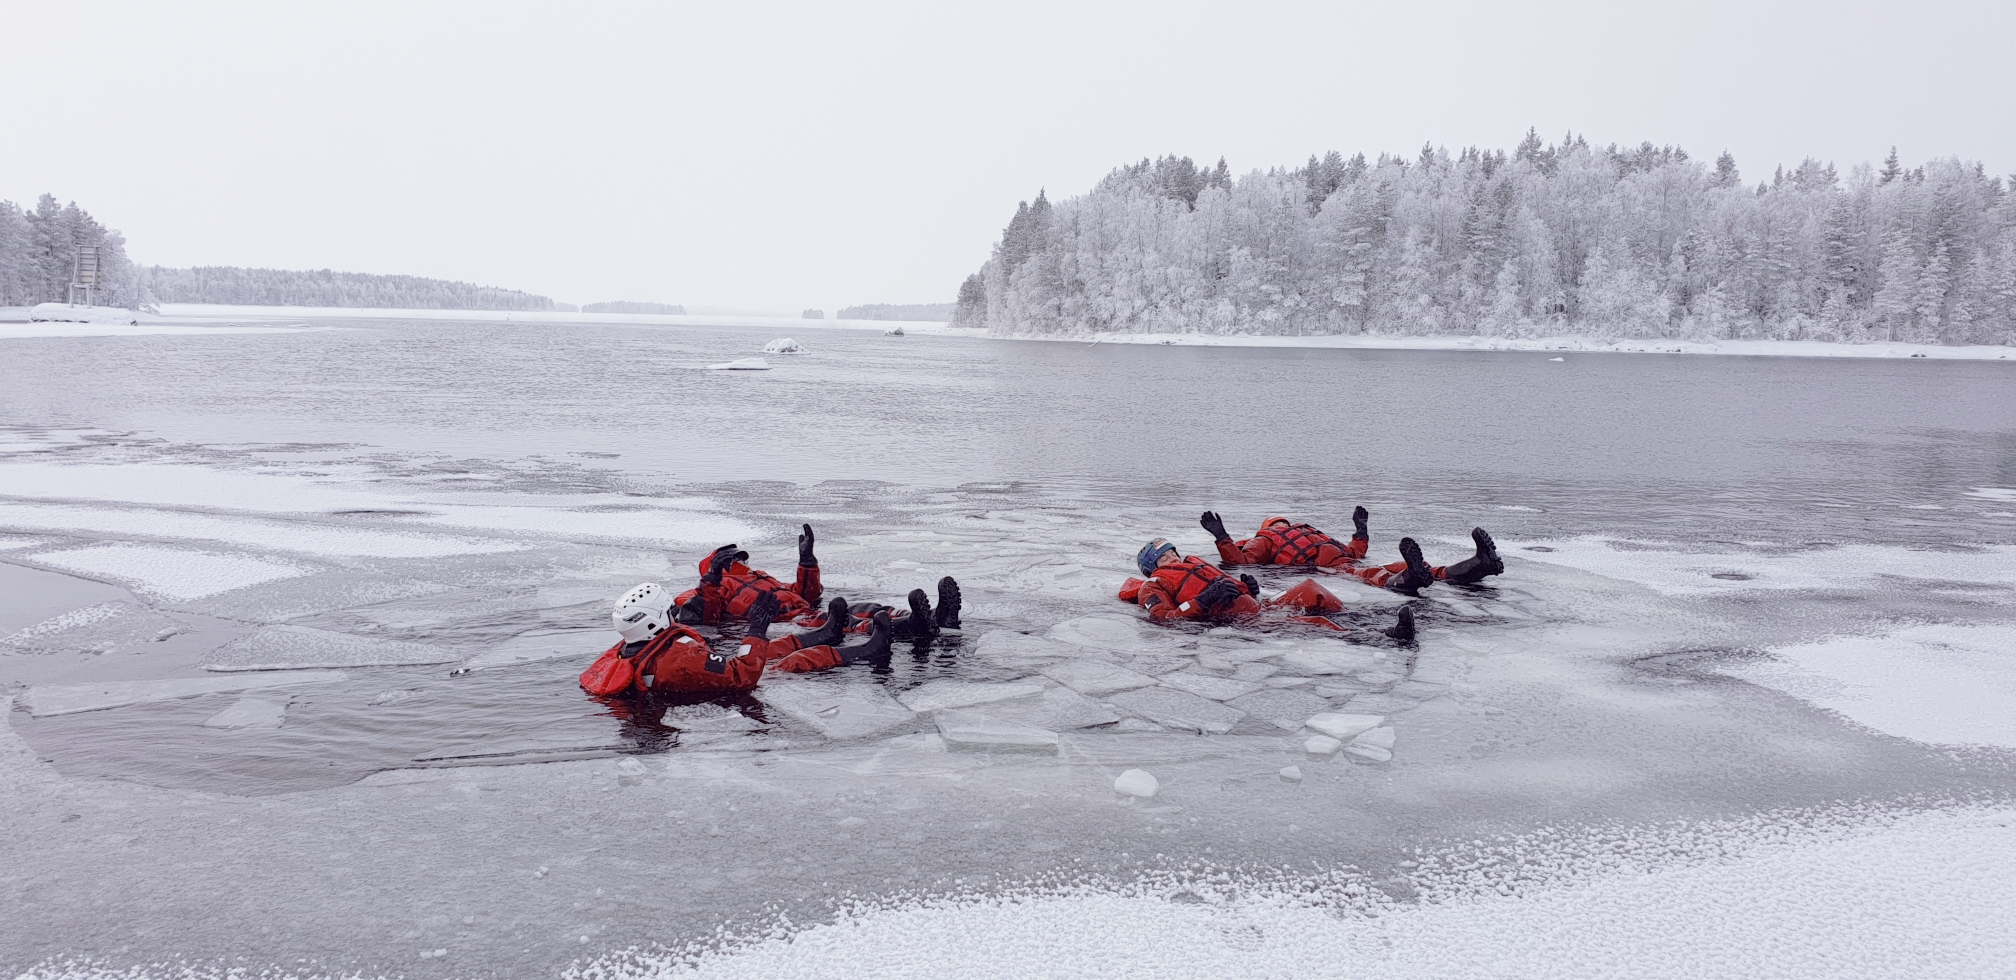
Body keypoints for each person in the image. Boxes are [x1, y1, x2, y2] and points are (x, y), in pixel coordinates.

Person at [581, 582, 893, 697]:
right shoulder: (678, 657)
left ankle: (826, 633)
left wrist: (757, 638)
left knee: (765, 648)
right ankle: (869, 650)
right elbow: (742, 675)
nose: (675, 614)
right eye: (669, 611)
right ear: (655, 620)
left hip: (690, 677)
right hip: (724, 686)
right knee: (791, 663)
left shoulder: (630, 647)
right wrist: (757, 628)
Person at [672, 525, 963, 640]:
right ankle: (910, 626)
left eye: (742, 557)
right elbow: (708, 615)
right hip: (784, 622)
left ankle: (932, 616)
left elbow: (806, 594)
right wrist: (710, 580)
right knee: (845, 620)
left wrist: (807, 561)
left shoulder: (762, 577)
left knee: (866, 606)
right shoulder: (713, 588)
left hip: (803, 611)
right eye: (735, 558)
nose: (743, 561)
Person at [1118, 538, 1415, 641]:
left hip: (1255, 607)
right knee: (1314, 624)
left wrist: (1251, 588)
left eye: (1173, 553)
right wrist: (1202, 601)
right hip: (1240, 622)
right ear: (1152, 566)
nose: (1173, 559)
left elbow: (1229, 588)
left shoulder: (1194, 565)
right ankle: (1382, 637)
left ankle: (1354, 618)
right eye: (1164, 558)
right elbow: (1164, 617)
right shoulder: (1152, 587)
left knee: (1310, 589)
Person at [1201, 508, 1502, 594]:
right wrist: (1222, 536)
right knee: (1373, 572)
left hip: (1340, 559)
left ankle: (1481, 563)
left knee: (1404, 564)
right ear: (1270, 524)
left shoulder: (1308, 531)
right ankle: (1418, 576)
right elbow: (1242, 561)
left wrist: (1360, 532)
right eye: (1278, 522)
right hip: (1328, 567)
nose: (1282, 524)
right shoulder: (1264, 539)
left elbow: (1352, 550)